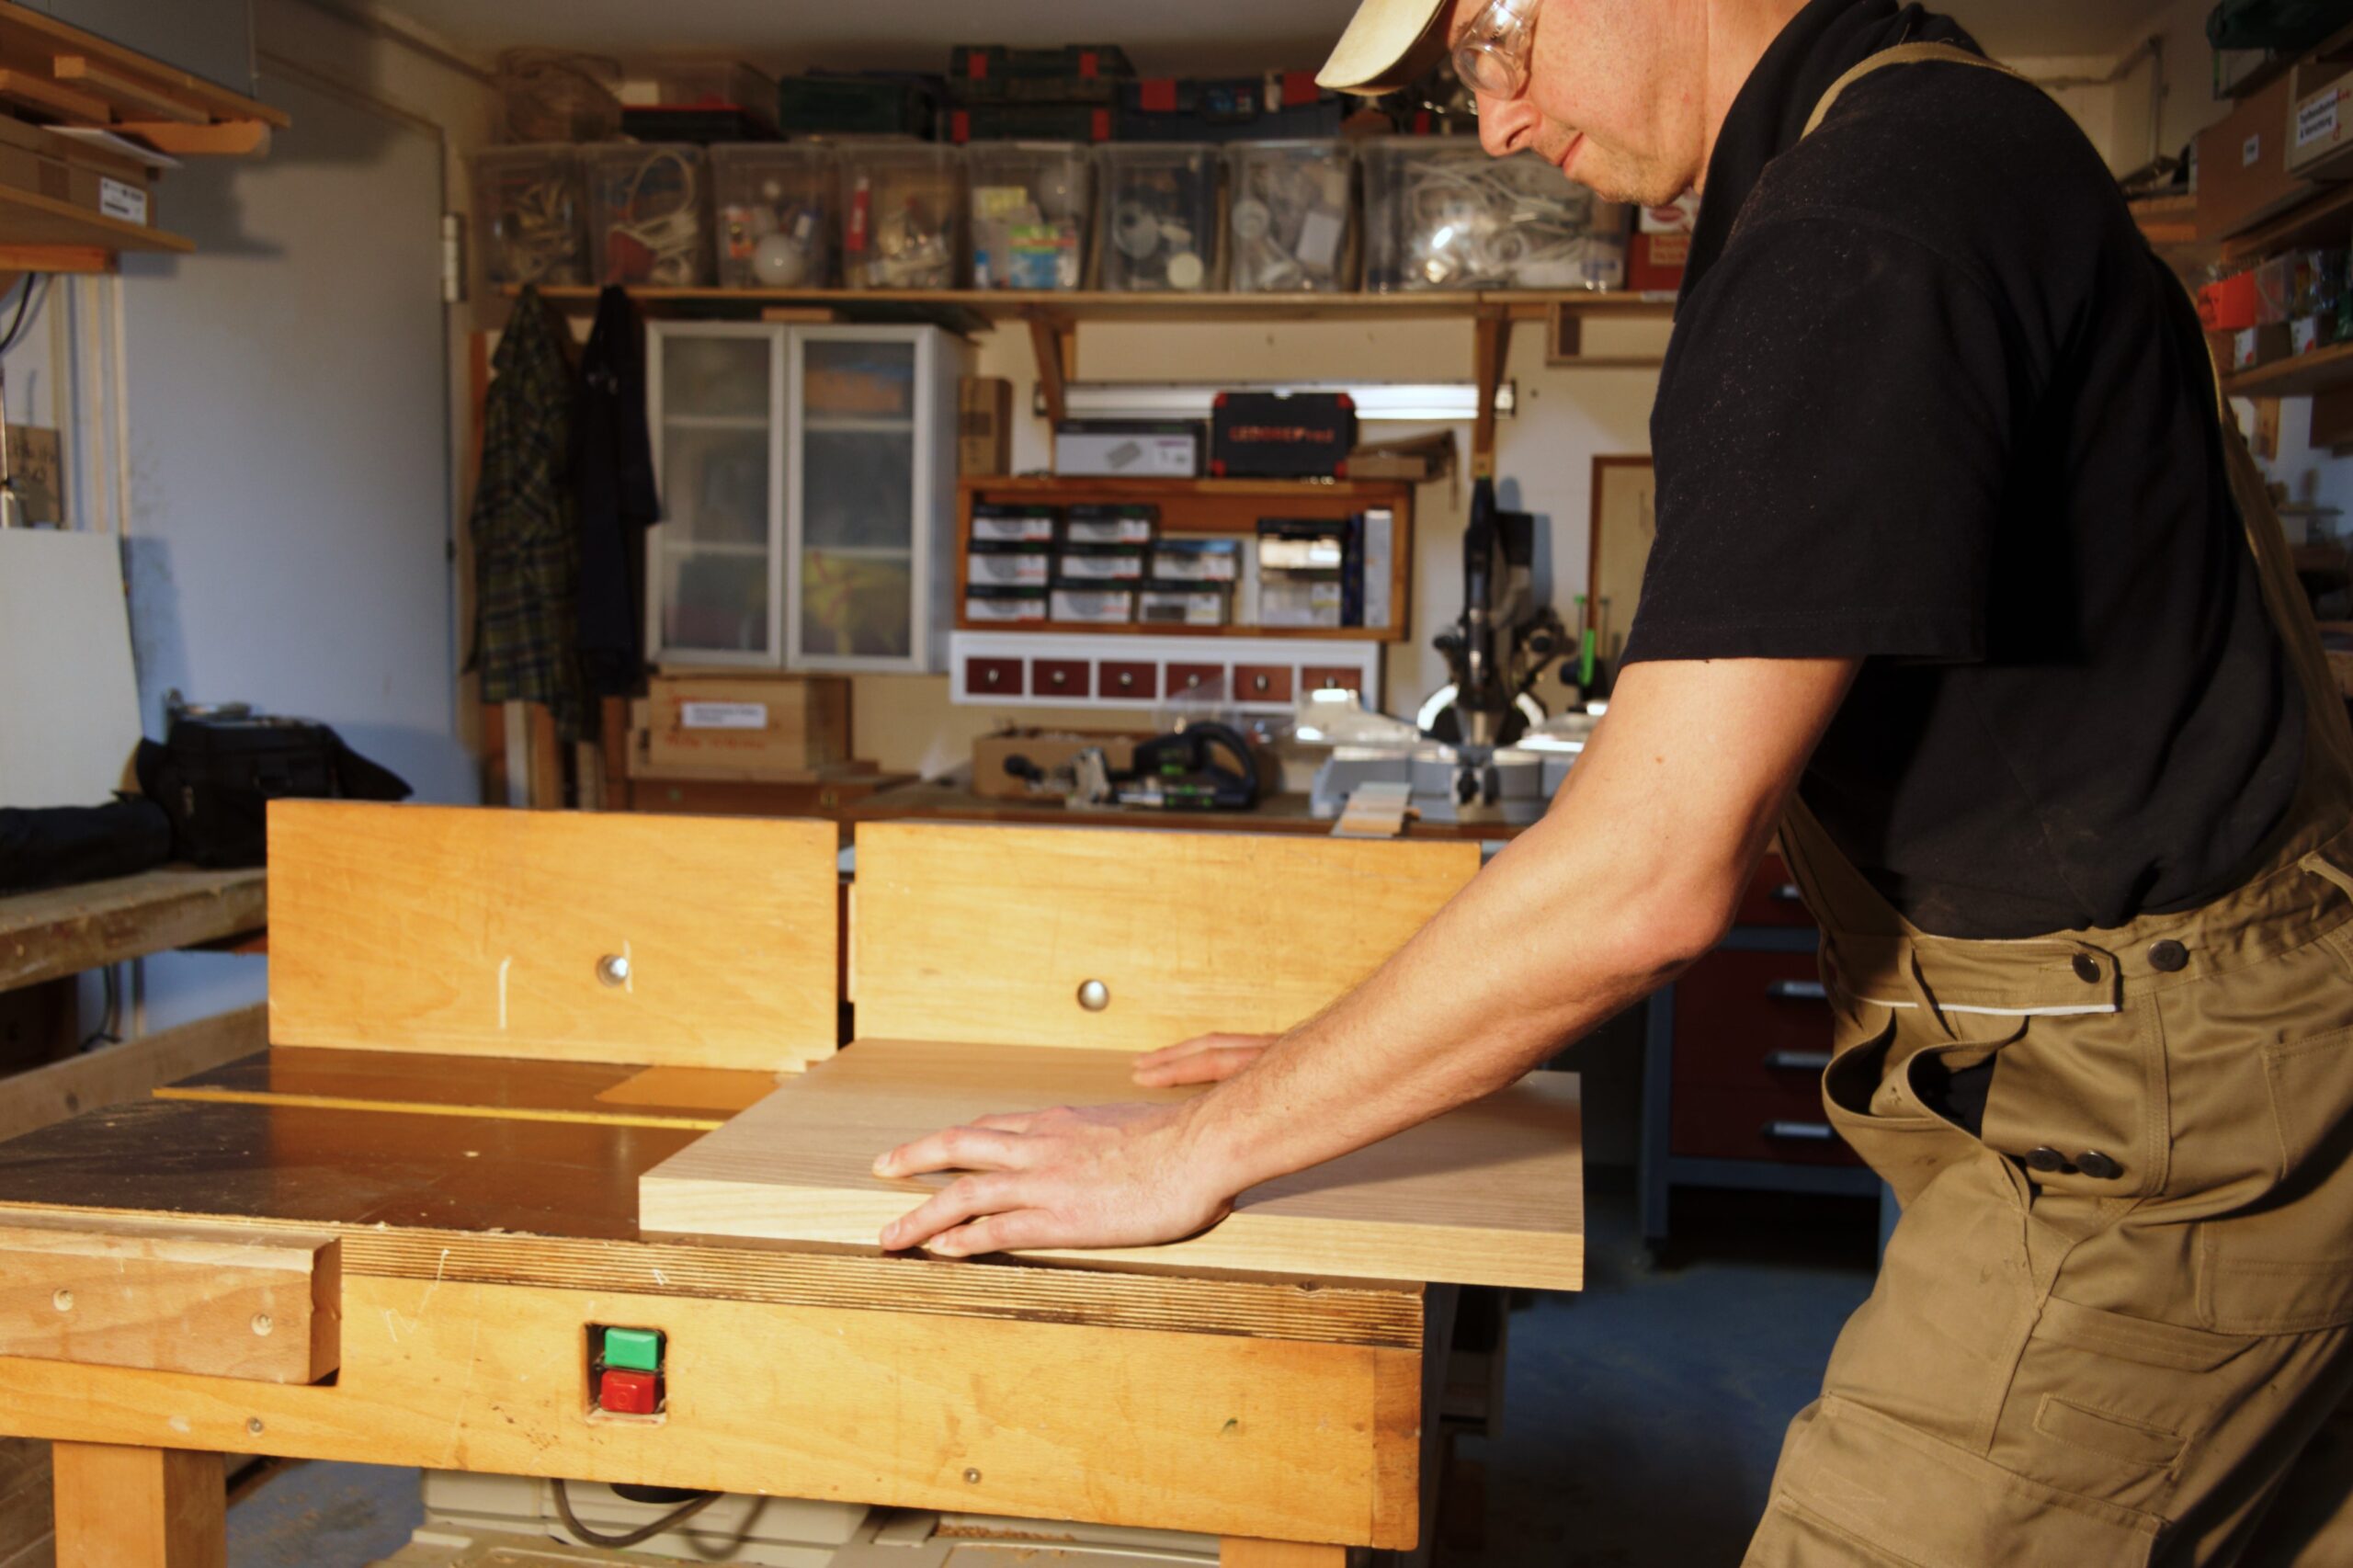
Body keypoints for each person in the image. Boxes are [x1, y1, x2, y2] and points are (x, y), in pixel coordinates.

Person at [875, 1, 2353, 1559]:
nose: (1497, 122)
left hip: (2156, 1133)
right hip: (2229, 1039)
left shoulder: (1860, 213)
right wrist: (1332, 1062)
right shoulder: (1920, 127)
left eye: (1492, 45)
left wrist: (1192, 1150)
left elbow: (1644, 875)